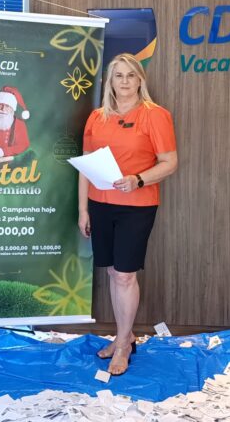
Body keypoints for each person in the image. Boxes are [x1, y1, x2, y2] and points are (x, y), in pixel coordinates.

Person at [78, 53, 178, 376]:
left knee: (125, 274)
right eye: (118, 75)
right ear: (110, 82)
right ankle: (125, 335)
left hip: (137, 205)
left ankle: (122, 344)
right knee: (113, 272)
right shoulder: (96, 117)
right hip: (100, 203)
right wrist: (83, 209)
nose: (124, 81)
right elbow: (85, 166)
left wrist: (138, 179)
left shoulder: (155, 115)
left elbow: (170, 162)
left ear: (139, 80)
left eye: (130, 75)